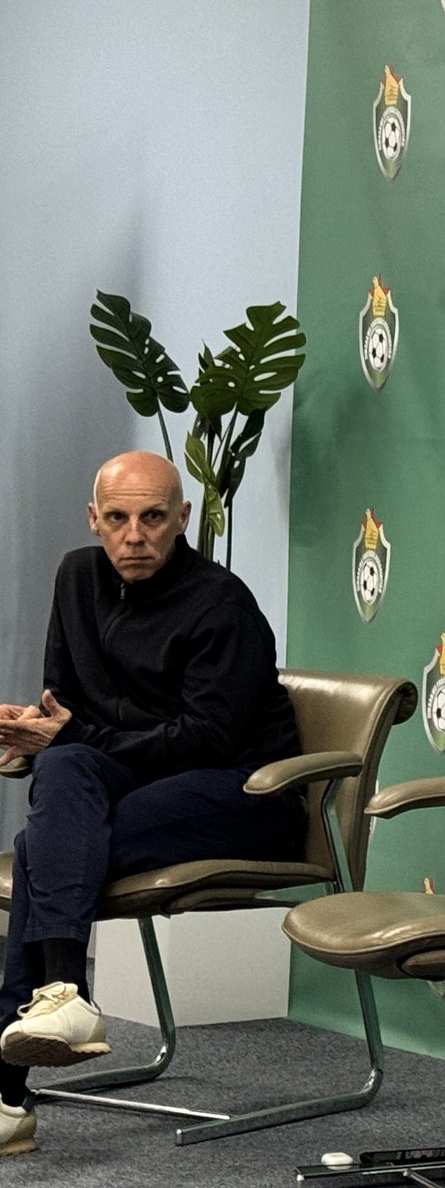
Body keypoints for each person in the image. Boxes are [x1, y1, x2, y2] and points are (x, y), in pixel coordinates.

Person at [0, 452, 301, 1156]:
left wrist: (73, 736)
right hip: (137, 778)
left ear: (182, 518)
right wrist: (34, 736)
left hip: (243, 790)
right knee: (63, 777)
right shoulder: (78, 578)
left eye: (153, 517)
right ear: (94, 519)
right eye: (117, 518)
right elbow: (67, 709)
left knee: (46, 845)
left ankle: (12, 1087)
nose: (134, 535)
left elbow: (207, 739)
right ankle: (63, 1002)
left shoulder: (222, 604)